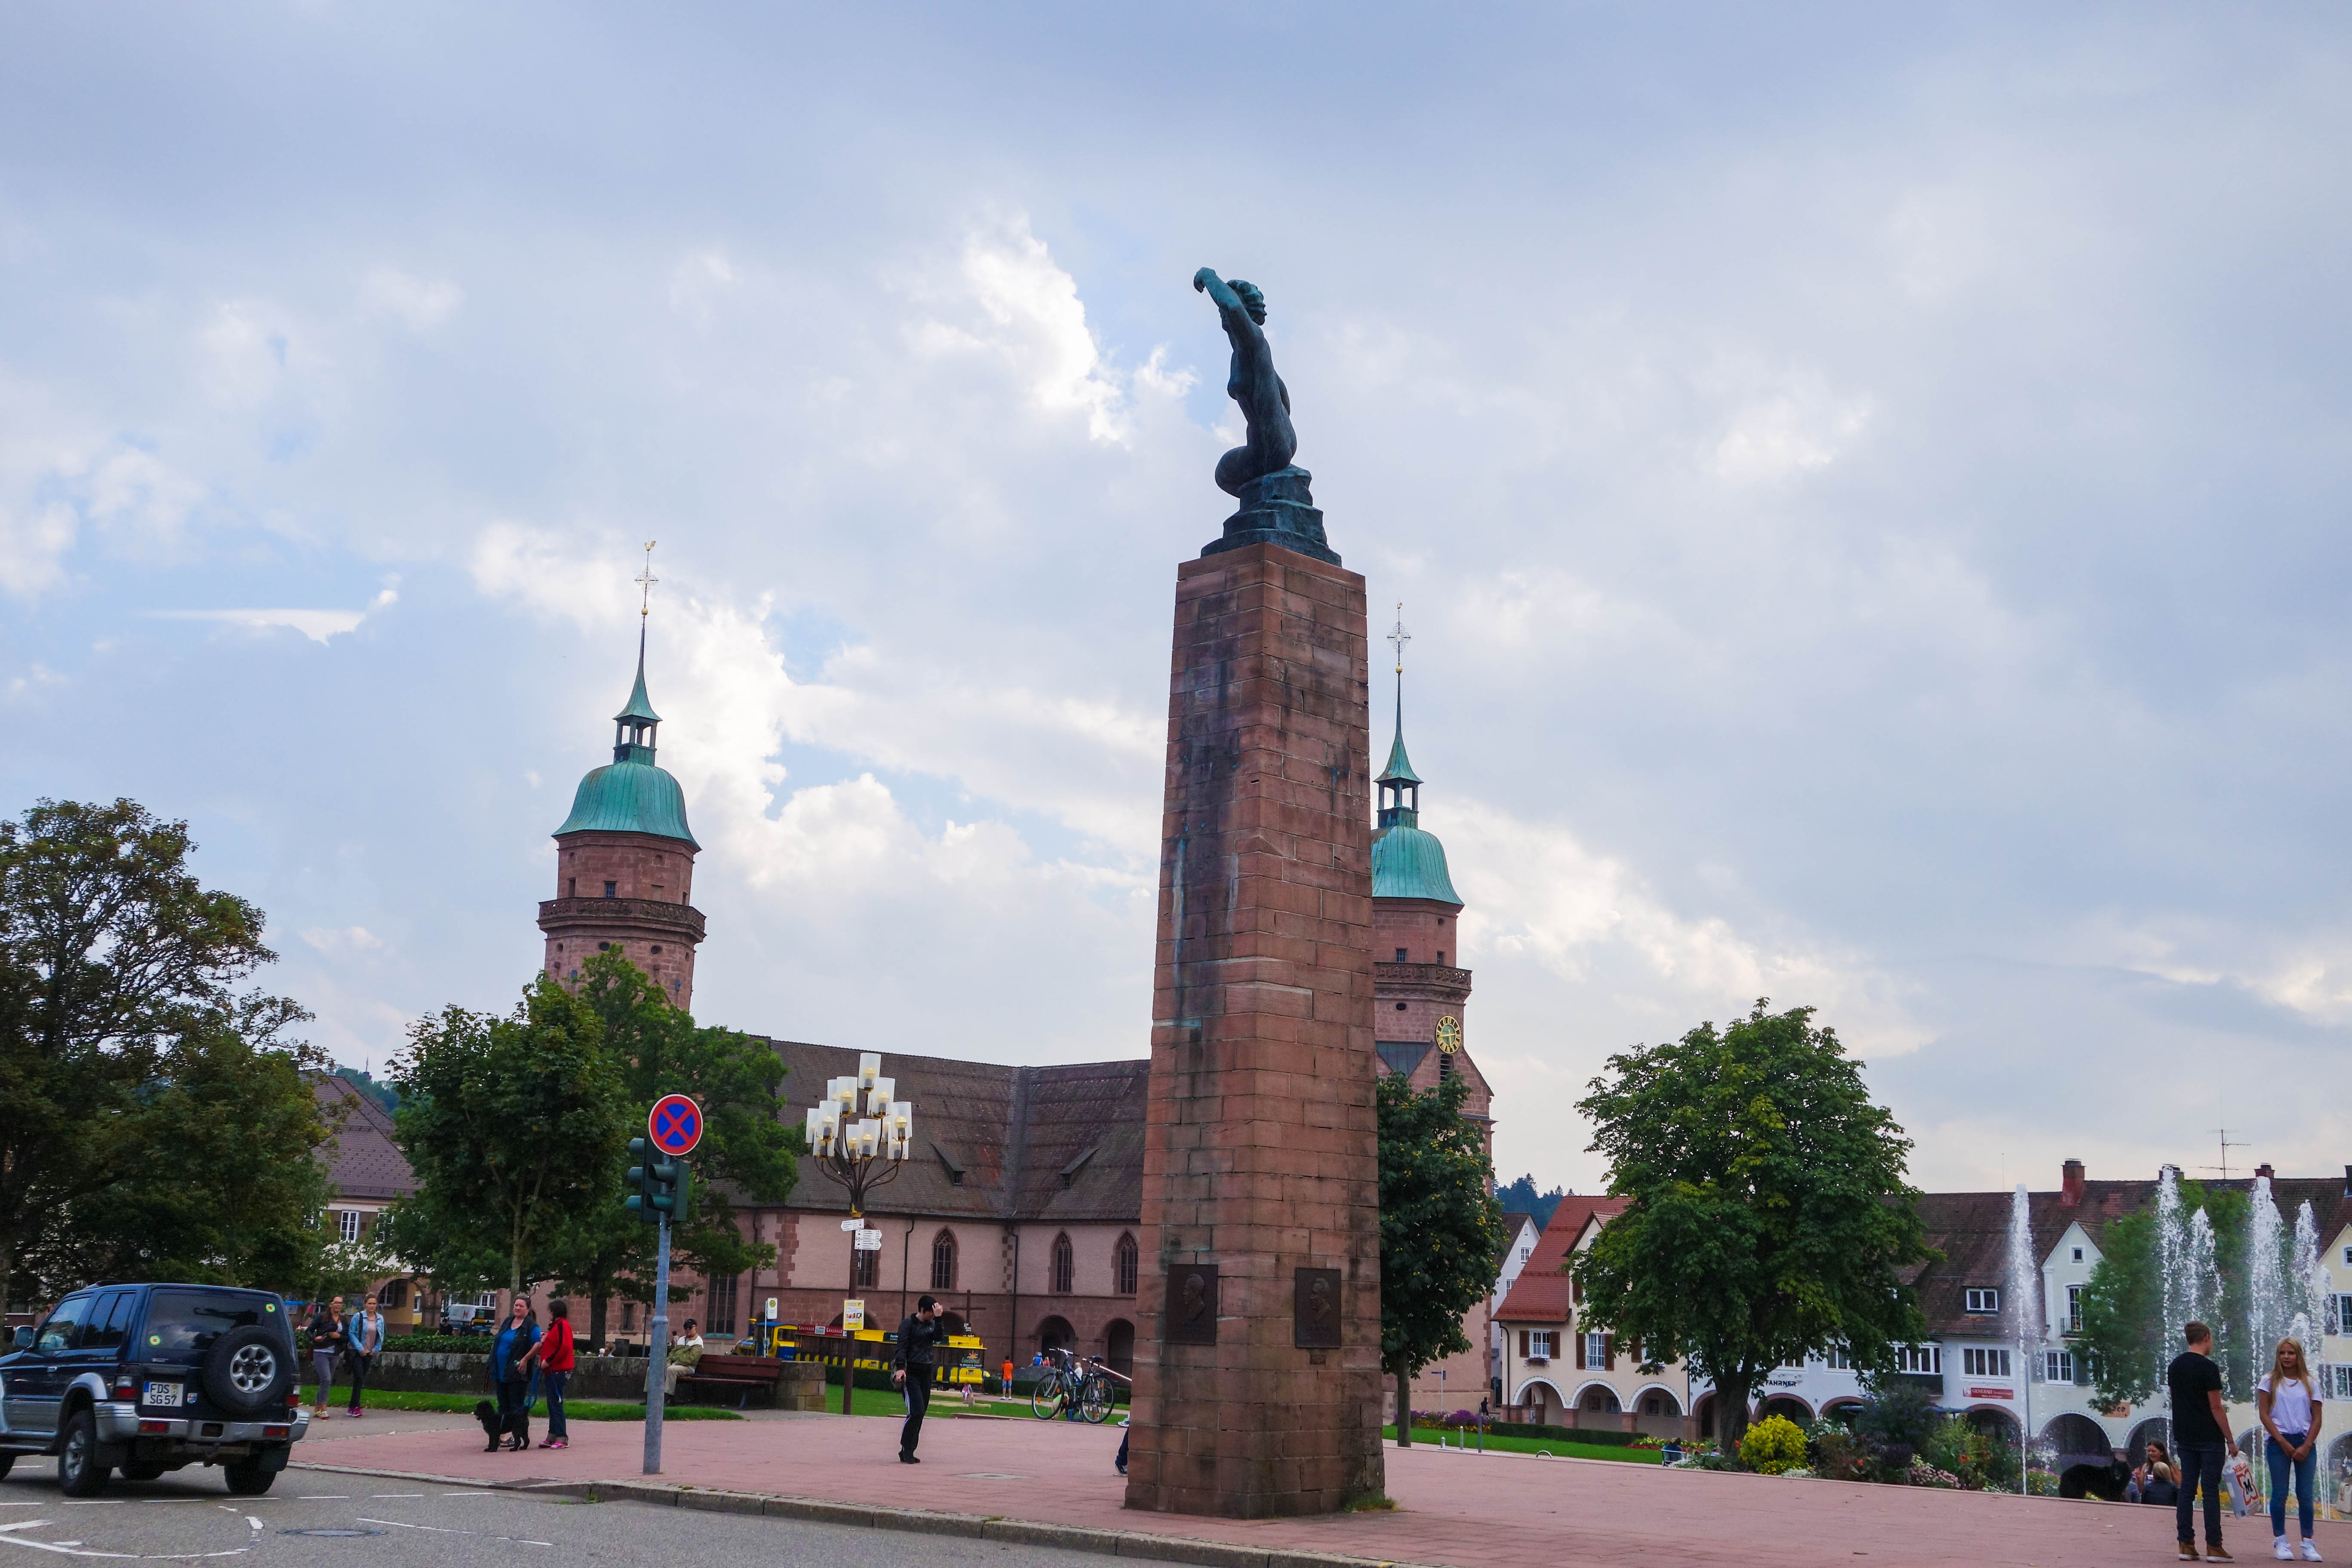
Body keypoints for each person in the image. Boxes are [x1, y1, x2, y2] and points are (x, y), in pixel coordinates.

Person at [2171, 1319, 2242, 1562]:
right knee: (2210, 1490)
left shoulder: (2175, 1366)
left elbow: (2176, 1399)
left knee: (2187, 1489)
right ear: (2207, 1338)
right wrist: (2230, 1440)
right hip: (2209, 1437)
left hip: (2184, 1434)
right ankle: (2214, 1546)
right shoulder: (2209, 1368)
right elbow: (2216, 1407)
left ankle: (2186, 1544)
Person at [2257, 1335, 2326, 1561]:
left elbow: (2317, 1417)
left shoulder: (2310, 1383)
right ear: (2278, 1356)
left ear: (2298, 1356)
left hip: (2305, 1442)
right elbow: (2265, 1415)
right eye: (2282, 1353)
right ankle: (2281, 1540)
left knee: (2306, 1494)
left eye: (2291, 1353)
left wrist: (2307, 1445)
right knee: (2280, 1493)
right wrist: (2284, 1443)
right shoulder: (2269, 1381)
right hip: (2279, 1442)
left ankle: (2308, 1542)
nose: (2287, 1357)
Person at [889, 1295, 945, 1465]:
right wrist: (900, 1368)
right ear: (922, 1310)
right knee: (916, 1411)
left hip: (926, 1374)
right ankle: (906, 1448)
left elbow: (939, 1337)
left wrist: (940, 1319)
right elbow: (902, 1346)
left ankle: (910, 1450)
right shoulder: (908, 1324)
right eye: (931, 1313)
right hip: (911, 1374)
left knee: (921, 1414)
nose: (932, 1317)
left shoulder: (933, 1324)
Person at [491, 1298, 541, 1452]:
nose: (518, 1308)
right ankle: (502, 1436)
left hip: (517, 1372)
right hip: (501, 1370)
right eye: (516, 1305)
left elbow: (538, 1344)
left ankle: (518, 1436)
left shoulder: (531, 1326)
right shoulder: (507, 1321)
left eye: (521, 1306)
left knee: (515, 1405)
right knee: (502, 1403)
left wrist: (525, 1360)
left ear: (528, 1309)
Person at [535, 1300, 576, 1451]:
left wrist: (549, 1362)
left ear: (554, 1312)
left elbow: (564, 1347)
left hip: (558, 1370)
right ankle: (553, 1434)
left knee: (556, 1403)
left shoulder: (562, 1326)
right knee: (552, 1403)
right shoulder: (558, 1327)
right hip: (553, 1371)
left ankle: (561, 1436)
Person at [304, 1296, 346, 1420]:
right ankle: (323, 1408)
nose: (338, 1305)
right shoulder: (322, 1317)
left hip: (335, 1353)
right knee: (326, 1379)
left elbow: (347, 1337)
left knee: (326, 1381)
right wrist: (314, 1338)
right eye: (336, 1303)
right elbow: (309, 1331)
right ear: (331, 1305)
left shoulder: (344, 1320)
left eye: (340, 1303)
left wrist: (338, 1336)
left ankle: (317, 1409)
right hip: (321, 1351)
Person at [346, 1294, 386, 1417]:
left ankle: (352, 1407)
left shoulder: (380, 1319)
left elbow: (382, 1335)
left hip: (370, 1353)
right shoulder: (359, 1317)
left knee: (360, 1380)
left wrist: (376, 1349)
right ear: (365, 1304)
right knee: (359, 1378)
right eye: (370, 1303)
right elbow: (352, 1333)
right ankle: (356, 1407)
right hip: (358, 1352)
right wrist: (360, 1348)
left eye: (374, 1304)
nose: (372, 1306)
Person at [2136, 1441, 2183, 1507]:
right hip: (2150, 1503)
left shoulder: (2171, 1467)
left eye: (2153, 1451)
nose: (2150, 1453)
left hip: (2167, 1503)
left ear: (2162, 1452)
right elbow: (2141, 1490)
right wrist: (2138, 1478)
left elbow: (2179, 1486)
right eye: (2149, 1451)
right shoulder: (2146, 1467)